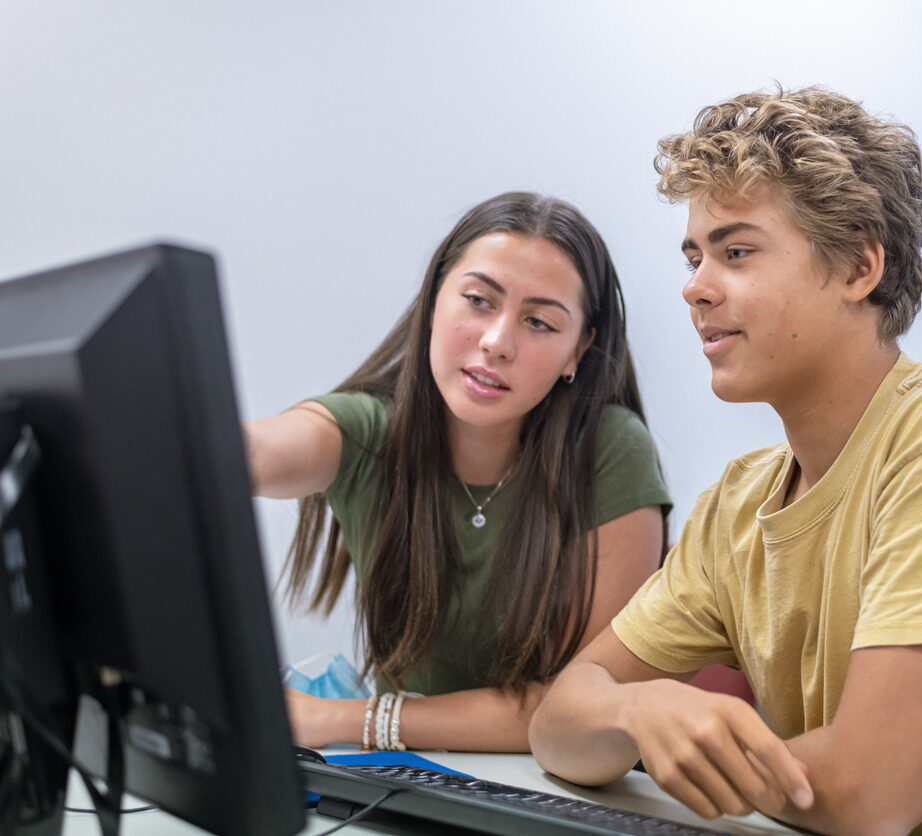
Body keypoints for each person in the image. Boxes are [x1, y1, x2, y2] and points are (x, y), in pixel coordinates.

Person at [530, 88, 922, 834]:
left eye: (737, 251)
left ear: (858, 265)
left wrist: (671, 748)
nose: (694, 286)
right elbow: (558, 721)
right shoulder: (738, 501)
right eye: (694, 256)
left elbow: (870, 795)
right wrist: (638, 707)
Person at [246, 192, 671, 753]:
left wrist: (348, 721)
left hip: (559, 792)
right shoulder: (367, 429)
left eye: (540, 323)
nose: (497, 342)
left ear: (579, 349)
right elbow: (235, 454)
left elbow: (585, 707)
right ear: (433, 302)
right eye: (477, 300)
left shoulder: (610, 450)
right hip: (399, 782)